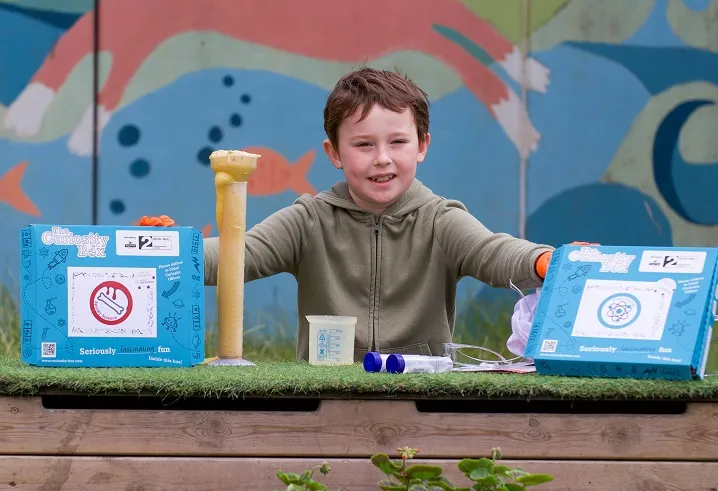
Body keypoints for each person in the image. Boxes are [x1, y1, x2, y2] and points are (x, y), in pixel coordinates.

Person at [204, 67, 556, 361]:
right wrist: (165, 250)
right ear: (334, 153)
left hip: (420, 399)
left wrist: (544, 261)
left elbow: (492, 252)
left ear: (423, 146)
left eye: (398, 142)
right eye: (363, 144)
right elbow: (236, 255)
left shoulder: (440, 219)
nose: (382, 158)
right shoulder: (309, 220)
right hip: (325, 399)